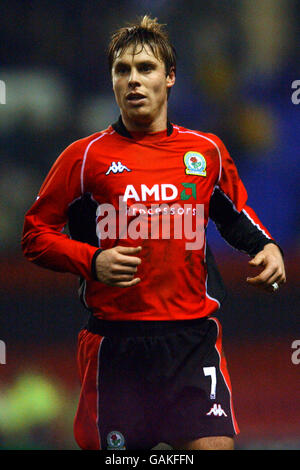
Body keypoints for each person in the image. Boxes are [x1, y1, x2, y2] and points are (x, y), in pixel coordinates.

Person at [21, 16, 286, 451]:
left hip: (191, 340)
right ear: (112, 81)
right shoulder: (84, 158)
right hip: (116, 346)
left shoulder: (205, 152)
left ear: (170, 77)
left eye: (145, 68)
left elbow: (234, 215)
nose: (133, 80)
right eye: (122, 70)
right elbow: (35, 235)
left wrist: (267, 247)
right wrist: (92, 261)